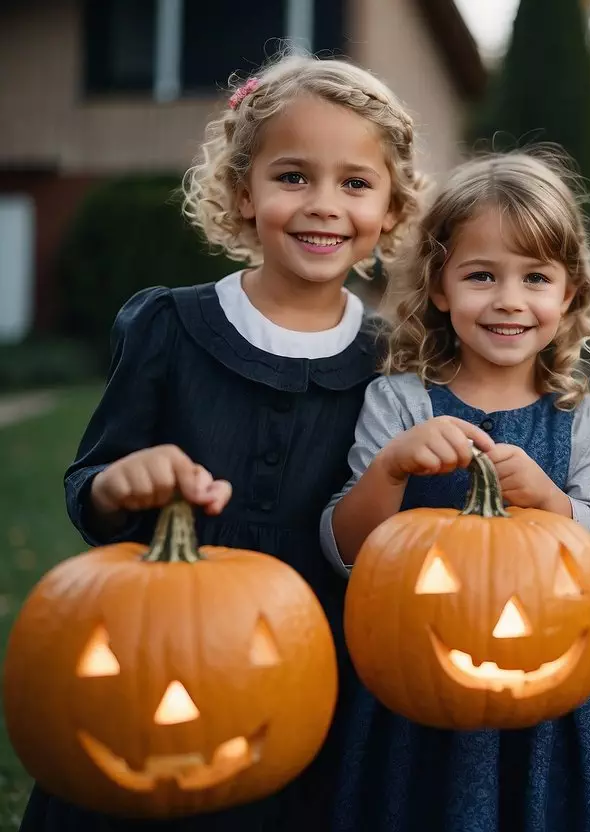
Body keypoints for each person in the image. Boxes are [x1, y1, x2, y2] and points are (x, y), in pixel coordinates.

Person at [22, 52, 424, 832]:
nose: (323, 206)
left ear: (391, 209)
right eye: (292, 176)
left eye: (354, 183)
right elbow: (89, 482)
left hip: (305, 668)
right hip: (154, 649)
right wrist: (119, 482)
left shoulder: (389, 359)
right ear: (243, 192)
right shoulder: (170, 327)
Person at [320, 148, 590, 832]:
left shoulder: (585, 420)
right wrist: (390, 470)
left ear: (568, 292)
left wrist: (551, 502)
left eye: (535, 278)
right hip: (413, 694)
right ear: (439, 286)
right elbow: (347, 551)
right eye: (481, 275)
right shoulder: (399, 404)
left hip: (543, 698)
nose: (509, 301)